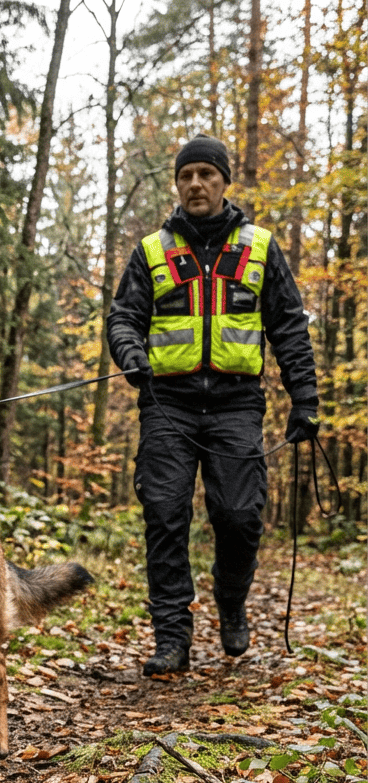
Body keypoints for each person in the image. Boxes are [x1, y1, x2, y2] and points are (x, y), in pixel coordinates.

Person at [108, 134, 319, 676]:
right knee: (165, 515)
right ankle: (172, 637)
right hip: (166, 405)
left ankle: (231, 604)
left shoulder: (260, 248)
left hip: (237, 406)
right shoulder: (152, 251)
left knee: (239, 516)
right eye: (186, 175)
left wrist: (305, 401)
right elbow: (123, 317)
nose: (196, 183)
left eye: (206, 173)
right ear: (176, 185)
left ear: (225, 181)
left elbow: (289, 327)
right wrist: (131, 353)